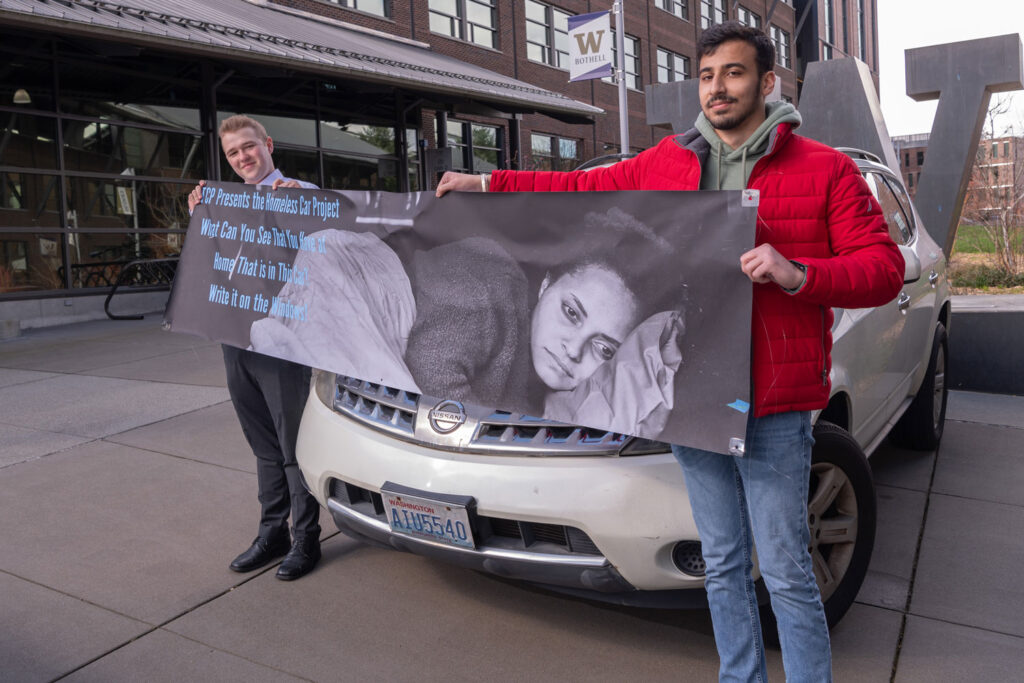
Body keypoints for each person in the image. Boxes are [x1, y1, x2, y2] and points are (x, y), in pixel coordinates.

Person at [435, 21, 904, 682]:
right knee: (722, 560)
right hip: (696, 404)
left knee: (789, 570)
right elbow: (581, 191)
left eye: (734, 74)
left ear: (768, 83)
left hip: (774, 406)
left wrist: (797, 272)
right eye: (708, 76)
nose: (718, 89)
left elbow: (882, 268)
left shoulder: (825, 170)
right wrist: (488, 187)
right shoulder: (669, 164)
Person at [187, 114, 322, 581]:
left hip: (284, 338)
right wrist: (199, 213)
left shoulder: (301, 193)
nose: (243, 157)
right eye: (233, 153)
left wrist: (305, 209)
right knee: (262, 442)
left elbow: (331, 247)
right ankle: (272, 532)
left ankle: (306, 538)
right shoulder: (224, 204)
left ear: (268, 144)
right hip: (236, 335)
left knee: (291, 443)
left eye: (249, 147)